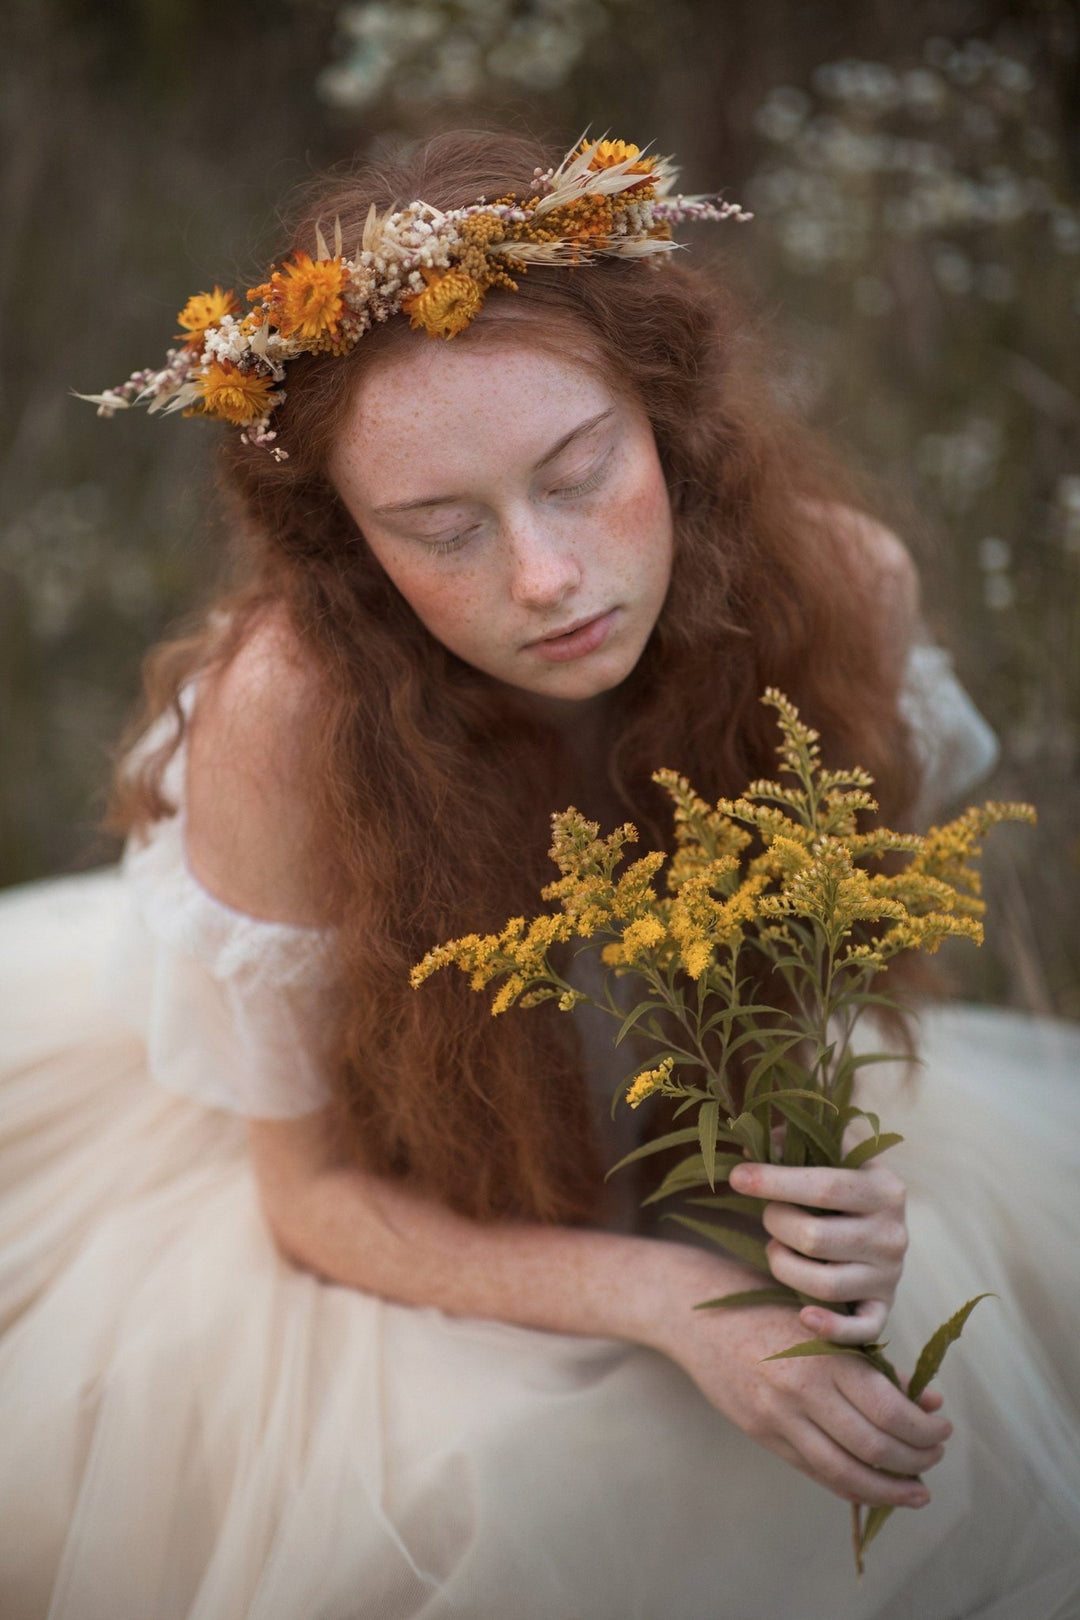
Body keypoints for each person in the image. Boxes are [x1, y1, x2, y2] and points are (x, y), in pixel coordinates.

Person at [1, 129, 1078, 1620]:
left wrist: (830, 1194)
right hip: (404, 1191)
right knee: (524, 1489)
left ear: (669, 427)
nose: (547, 576)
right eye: (442, 529)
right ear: (349, 549)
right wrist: (665, 1295)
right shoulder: (286, 721)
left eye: (581, 474)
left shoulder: (843, 594)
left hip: (683, 1138)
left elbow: (838, 985)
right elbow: (306, 1197)